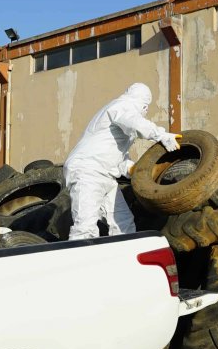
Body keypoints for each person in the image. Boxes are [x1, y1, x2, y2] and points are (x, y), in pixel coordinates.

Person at [63, 83, 179, 240]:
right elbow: (136, 123)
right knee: (85, 228)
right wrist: (162, 135)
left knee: (123, 223)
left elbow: (116, 155)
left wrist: (133, 169)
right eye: (146, 107)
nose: (146, 111)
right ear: (143, 103)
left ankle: (126, 261)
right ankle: (78, 263)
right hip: (87, 170)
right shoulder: (122, 106)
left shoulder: (120, 114)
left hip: (106, 175)